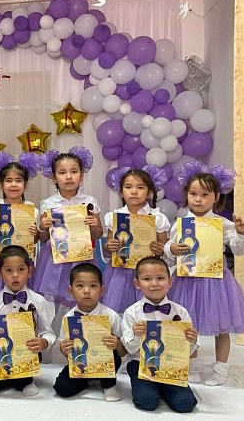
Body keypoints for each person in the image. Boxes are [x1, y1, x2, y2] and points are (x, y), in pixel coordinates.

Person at [165, 162, 244, 386]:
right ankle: (190, 363)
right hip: (187, 281)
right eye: (193, 194)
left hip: (216, 282)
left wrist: (240, 234)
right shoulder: (179, 225)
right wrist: (171, 249)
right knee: (187, 323)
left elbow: (239, 250)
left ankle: (221, 367)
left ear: (216, 197)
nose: (198, 199)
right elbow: (169, 255)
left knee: (221, 326)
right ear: (186, 195)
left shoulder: (222, 223)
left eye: (205, 194)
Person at [34, 147, 103, 337]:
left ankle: (76, 338)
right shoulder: (49, 203)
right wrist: (43, 226)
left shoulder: (89, 201)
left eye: (74, 171)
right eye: (62, 172)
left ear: (82, 175)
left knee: (80, 298)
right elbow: (43, 238)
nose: (69, 177)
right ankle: (50, 338)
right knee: (56, 302)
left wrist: (93, 225)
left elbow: (98, 233)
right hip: (55, 260)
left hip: (81, 258)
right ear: (54, 178)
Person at [0, 245, 55, 397]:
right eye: (9, 270)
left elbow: (48, 333)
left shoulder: (39, 301)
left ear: (29, 272)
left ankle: (23, 379)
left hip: (27, 354)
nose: (15, 275)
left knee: (23, 381)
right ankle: (11, 377)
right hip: (0, 354)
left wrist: (43, 342)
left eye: (21, 269)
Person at [122, 257, 198, 413]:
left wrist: (192, 340)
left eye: (160, 278)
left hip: (171, 365)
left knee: (186, 404)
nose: (154, 283)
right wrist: (135, 335)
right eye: (147, 279)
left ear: (170, 282)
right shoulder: (131, 313)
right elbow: (130, 350)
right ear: (137, 283)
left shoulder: (181, 312)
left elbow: (188, 352)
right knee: (147, 401)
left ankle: (163, 387)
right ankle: (151, 388)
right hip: (140, 364)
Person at [53, 263, 125, 402]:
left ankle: (108, 384)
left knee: (114, 353)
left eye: (93, 286)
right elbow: (66, 352)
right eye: (80, 286)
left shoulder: (111, 316)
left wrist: (118, 344)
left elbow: (122, 353)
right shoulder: (68, 318)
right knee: (61, 388)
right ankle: (89, 380)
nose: (86, 291)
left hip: (105, 364)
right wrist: (63, 349)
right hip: (80, 363)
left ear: (102, 290)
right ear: (70, 290)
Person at [102, 166, 170, 314]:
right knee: (117, 313)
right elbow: (107, 248)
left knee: (146, 313)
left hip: (148, 273)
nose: (134, 191)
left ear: (149, 192)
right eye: (128, 187)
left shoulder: (157, 218)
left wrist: (160, 249)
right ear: (121, 192)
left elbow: (165, 249)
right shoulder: (115, 217)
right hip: (120, 273)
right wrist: (109, 246)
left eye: (140, 187)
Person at [0, 152, 41, 303]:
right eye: (8, 180)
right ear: (1, 184)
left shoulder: (32, 210)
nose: (13, 184)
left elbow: (34, 241)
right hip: (1, 260)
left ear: (25, 185)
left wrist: (34, 234)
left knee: (24, 302)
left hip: (23, 262)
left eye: (18, 180)